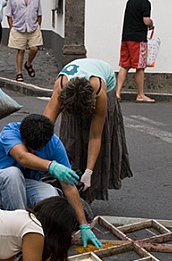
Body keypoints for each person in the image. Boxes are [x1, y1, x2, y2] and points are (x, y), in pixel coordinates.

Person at [0, 113, 103, 249]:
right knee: (13, 174)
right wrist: (51, 165)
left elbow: (69, 187)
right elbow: (22, 157)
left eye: (36, 150)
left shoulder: (54, 144)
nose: (32, 152)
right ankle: (20, 231)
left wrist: (84, 225)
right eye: (29, 148)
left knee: (50, 193)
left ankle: (38, 229)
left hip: (22, 191)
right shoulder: (10, 132)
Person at [42, 57, 133, 202]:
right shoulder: (60, 86)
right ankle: (68, 188)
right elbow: (44, 127)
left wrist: (88, 172)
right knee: (71, 140)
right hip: (73, 87)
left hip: (103, 84)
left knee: (96, 143)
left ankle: (87, 192)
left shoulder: (99, 91)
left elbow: (95, 136)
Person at [116, 0, 156, 103]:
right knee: (140, 67)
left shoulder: (131, 0)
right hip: (138, 39)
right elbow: (146, 20)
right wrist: (151, 24)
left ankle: (117, 93)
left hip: (126, 37)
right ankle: (140, 95)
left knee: (124, 65)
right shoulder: (145, 3)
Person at [6, 0, 43, 82]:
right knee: (20, 50)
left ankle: (28, 64)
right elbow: (9, 14)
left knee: (34, 48)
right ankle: (19, 73)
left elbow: (39, 13)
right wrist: (11, 27)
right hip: (19, 27)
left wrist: (38, 26)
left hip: (33, 27)